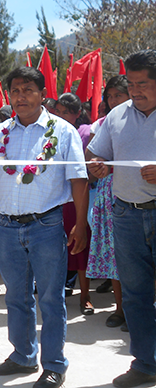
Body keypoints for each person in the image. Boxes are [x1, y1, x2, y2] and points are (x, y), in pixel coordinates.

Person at [0, 67, 88, 388]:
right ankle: (22, 356)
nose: (20, 97)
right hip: (7, 227)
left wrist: (81, 223)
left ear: (42, 94)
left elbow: (79, 179)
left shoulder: (62, 132)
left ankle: (54, 365)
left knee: (50, 299)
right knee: (16, 298)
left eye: (28, 90)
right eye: (15, 91)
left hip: (46, 226)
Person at [87, 49, 156, 388]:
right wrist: (98, 164)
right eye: (131, 83)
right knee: (135, 294)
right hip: (125, 214)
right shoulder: (116, 117)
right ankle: (145, 363)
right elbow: (96, 154)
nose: (135, 91)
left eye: (143, 84)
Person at [86, 75, 130, 330]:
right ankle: (121, 308)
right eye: (109, 96)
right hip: (108, 194)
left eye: (118, 95)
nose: (113, 100)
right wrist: (98, 165)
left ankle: (142, 310)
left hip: (139, 193)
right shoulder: (106, 123)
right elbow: (91, 155)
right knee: (116, 255)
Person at [53, 93, 94, 316]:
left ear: (77, 113)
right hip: (54, 199)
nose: (60, 115)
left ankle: (85, 296)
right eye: (57, 111)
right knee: (55, 249)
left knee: (79, 248)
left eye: (65, 112)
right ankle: (56, 295)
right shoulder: (50, 132)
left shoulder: (85, 132)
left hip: (76, 198)